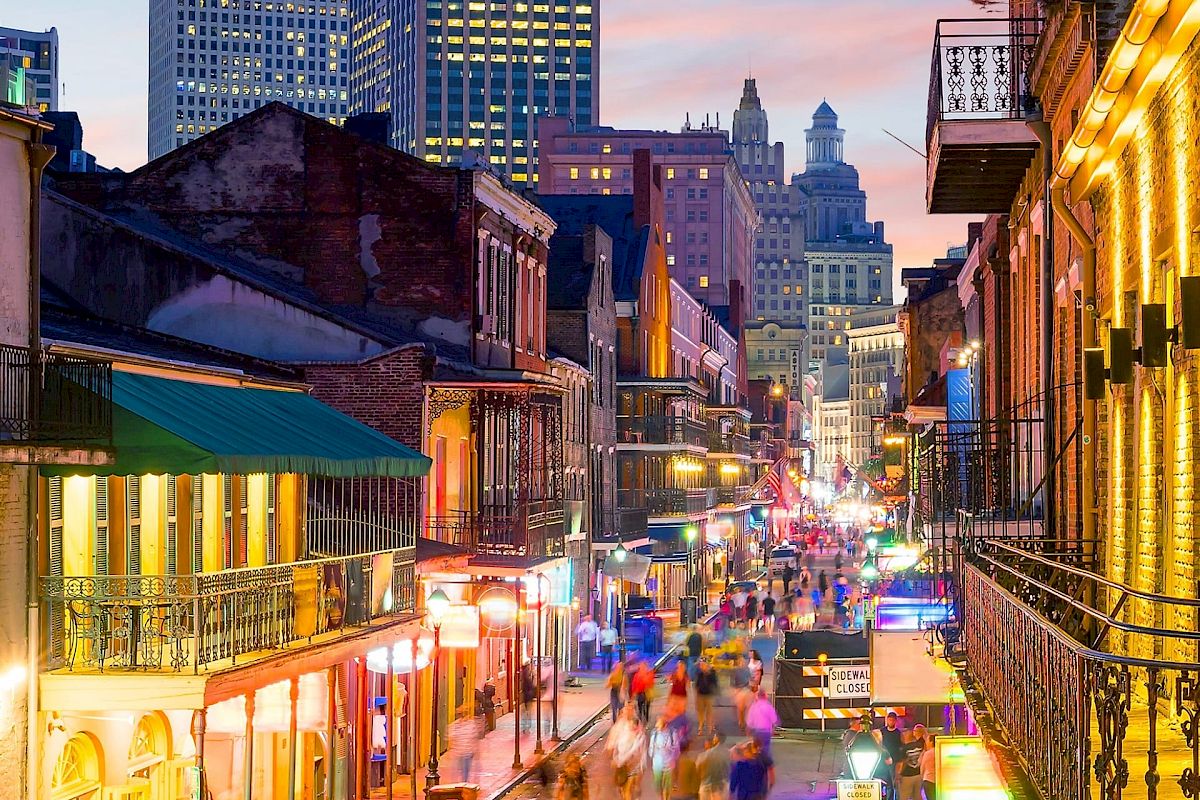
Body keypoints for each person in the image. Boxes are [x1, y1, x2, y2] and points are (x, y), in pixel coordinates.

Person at [607, 704, 647, 800]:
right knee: (624, 789)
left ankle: (634, 792)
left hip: (634, 763)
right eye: (627, 710)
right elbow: (611, 743)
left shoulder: (637, 725)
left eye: (631, 709)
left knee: (629, 788)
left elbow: (641, 744)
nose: (629, 712)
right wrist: (612, 759)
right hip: (621, 763)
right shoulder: (618, 726)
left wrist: (639, 761)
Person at [650, 717, 682, 800]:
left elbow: (677, 749)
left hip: (669, 764)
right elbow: (651, 748)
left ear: (665, 725)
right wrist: (653, 754)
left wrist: (672, 755)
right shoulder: (654, 734)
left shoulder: (672, 734)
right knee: (658, 786)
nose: (656, 726)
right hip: (657, 764)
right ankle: (662, 797)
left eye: (659, 724)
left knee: (667, 788)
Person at [896, 725, 927, 800]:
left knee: (904, 796)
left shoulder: (904, 748)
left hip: (907, 776)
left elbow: (901, 763)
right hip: (918, 775)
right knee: (917, 796)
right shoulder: (921, 745)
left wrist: (898, 775)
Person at [744, 689, 779, 755]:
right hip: (766, 732)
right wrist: (773, 729)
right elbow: (774, 720)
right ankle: (765, 761)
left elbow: (750, 721)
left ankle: (758, 761)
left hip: (757, 732)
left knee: (757, 748)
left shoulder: (754, 706)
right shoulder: (769, 706)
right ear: (765, 696)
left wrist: (748, 730)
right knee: (766, 749)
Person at [697, 733, 730, 800]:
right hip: (721, 786)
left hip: (707, 785)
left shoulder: (705, 755)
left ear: (717, 738)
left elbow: (698, 769)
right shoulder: (728, 752)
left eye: (714, 738)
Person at [693, 659, 719, 734]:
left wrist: (715, 691)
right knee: (700, 712)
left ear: (707, 665)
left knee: (709, 712)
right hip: (700, 695)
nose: (701, 666)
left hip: (709, 695)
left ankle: (709, 727)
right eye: (700, 665)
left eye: (703, 665)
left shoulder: (711, 673)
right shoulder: (699, 674)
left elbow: (715, 683)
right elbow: (697, 684)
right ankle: (700, 726)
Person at [919, 733, 937, 800]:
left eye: (927, 741)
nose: (926, 743)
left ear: (931, 742)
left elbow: (922, 768)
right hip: (939, 781)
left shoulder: (927, 753)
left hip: (929, 780)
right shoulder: (940, 751)